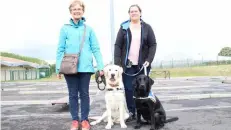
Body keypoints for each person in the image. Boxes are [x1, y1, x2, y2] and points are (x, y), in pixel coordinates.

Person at [56, 1, 104, 130]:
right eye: (74, 9)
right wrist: (58, 68)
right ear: (70, 11)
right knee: (72, 94)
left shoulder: (89, 29)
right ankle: (74, 120)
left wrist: (100, 66)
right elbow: (60, 49)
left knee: (84, 94)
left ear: (83, 11)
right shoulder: (65, 28)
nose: (77, 11)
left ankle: (84, 120)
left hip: (86, 67)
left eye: (79, 9)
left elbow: (96, 48)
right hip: (69, 67)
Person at [114, 4, 157, 121]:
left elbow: (153, 44)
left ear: (140, 13)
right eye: (131, 11)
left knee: (143, 88)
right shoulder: (124, 28)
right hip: (127, 65)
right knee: (129, 89)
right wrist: (118, 64)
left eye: (136, 11)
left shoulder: (147, 28)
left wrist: (149, 59)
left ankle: (145, 113)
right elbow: (118, 46)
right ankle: (132, 112)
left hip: (142, 65)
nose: (134, 13)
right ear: (129, 14)